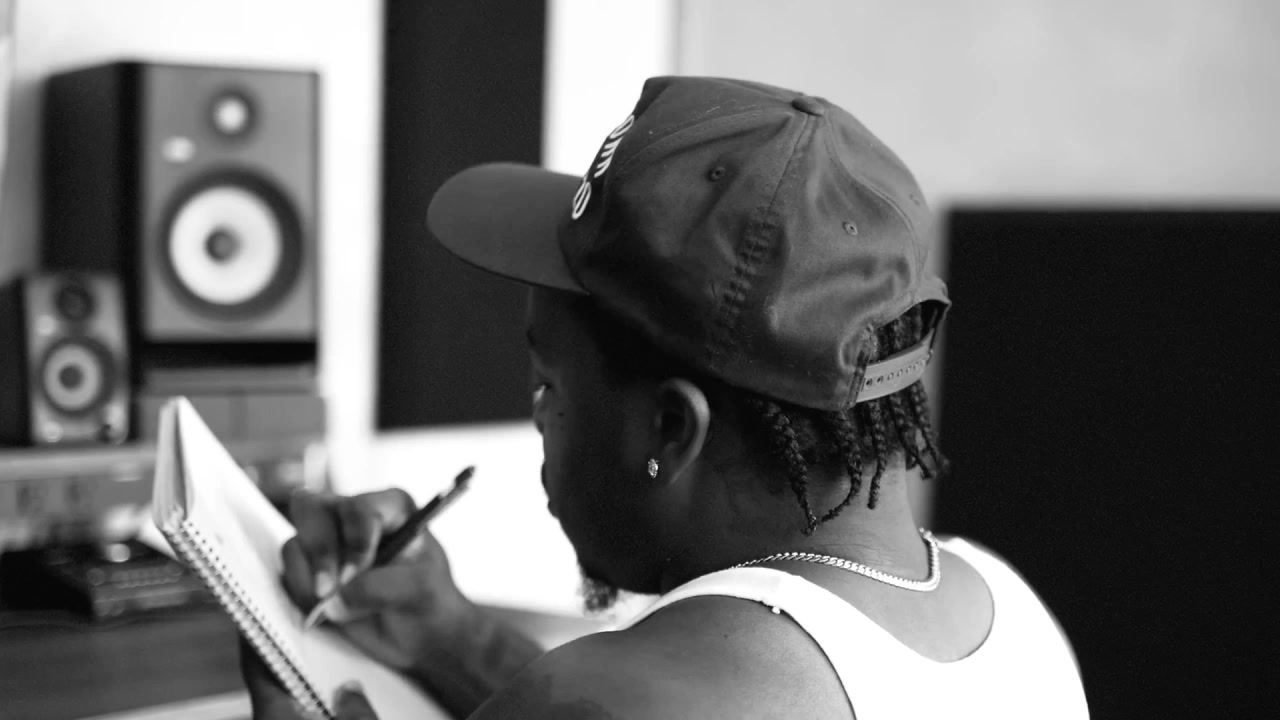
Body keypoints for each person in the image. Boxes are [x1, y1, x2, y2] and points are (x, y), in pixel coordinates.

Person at [242, 76, 1090, 719]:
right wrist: (447, 633)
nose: (539, 415)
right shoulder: (1011, 615)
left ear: (670, 429)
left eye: (549, 383)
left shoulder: (620, 694)